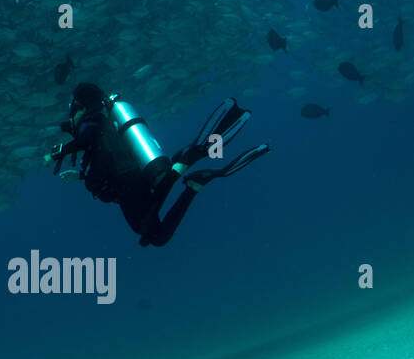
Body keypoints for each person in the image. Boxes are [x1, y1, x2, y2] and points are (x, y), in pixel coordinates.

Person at [44, 83, 270, 247]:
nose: (71, 118)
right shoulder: (102, 124)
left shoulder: (90, 122)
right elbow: (105, 160)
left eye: (72, 111)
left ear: (82, 107)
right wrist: (81, 176)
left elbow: (87, 139)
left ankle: (184, 167)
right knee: (155, 235)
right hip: (129, 182)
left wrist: (59, 152)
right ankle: (189, 178)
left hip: (127, 186)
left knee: (148, 231)